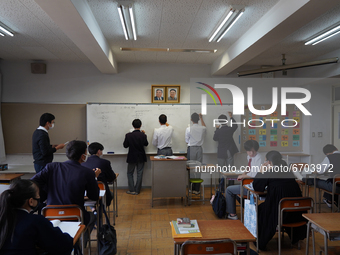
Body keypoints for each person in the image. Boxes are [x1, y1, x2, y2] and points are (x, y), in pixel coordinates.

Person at [31, 140, 100, 228]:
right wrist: (94, 178)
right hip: (75, 215)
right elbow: (94, 196)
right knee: (92, 217)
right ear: (83, 155)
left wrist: (43, 194)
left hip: (50, 214)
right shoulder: (87, 172)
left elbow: (32, 182)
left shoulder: (51, 167)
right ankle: (79, 240)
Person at [0, 179, 73, 255]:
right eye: (38, 195)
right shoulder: (35, 221)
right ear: (31, 201)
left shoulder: (3, 218)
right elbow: (62, 244)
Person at [253, 151, 306, 250]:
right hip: (295, 213)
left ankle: (261, 240)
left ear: (269, 162)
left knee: (260, 209)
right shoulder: (288, 171)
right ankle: (295, 238)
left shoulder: (270, 172)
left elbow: (257, 187)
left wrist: (260, 171)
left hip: (277, 213)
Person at [225, 140, 262, 220]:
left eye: (253, 151)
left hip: (252, 186)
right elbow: (249, 168)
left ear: (256, 149)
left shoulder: (259, 158)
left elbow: (254, 174)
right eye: (248, 151)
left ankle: (232, 214)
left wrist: (243, 175)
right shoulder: (250, 156)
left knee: (229, 190)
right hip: (249, 184)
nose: (251, 153)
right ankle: (252, 210)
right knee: (236, 193)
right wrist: (243, 173)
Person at [123, 119, 149, 195]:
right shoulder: (143, 135)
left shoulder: (128, 135)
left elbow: (125, 145)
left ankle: (131, 190)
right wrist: (144, 134)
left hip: (132, 157)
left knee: (130, 173)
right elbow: (146, 144)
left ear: (133, 126)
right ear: (140, 125)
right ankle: (137, 190)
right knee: (139, 173)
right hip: (141, 156)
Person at [213, 112, 238, 184]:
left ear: (220, 122)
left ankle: (222, 188)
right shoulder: (230, 129)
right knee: (230, 170)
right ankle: (231, 186)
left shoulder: (219, 131)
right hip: (229, 151)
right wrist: (231, 117)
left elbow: (215, 138)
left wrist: (216, 129)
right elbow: (235, 126)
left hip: (221, 152)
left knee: (221, 170)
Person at [185, 113, 206, 194]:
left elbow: (186, 141)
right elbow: (204, 127)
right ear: (198, 119)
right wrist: (201, 118)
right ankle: (197, 189)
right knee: (198, 168)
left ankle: (191, 188)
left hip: (191, 149)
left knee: (191, 168)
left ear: (191, 120)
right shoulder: (202, 128)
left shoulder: (188, 129)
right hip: (199, 149)